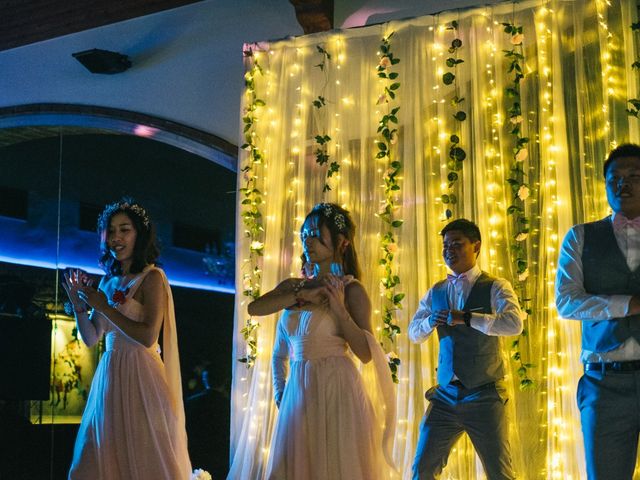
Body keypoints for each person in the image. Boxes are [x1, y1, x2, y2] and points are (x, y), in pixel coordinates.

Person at [246, 202, 396, 480]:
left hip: (336, 388)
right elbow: (255, 309)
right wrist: (282, 395)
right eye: (305, 235)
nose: (308, 241)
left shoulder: (352, 290)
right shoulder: (294, 285)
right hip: (297, 393)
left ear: (341, 242)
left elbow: (365, 353)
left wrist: (338, 308)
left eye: (315, 234)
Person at [63, 198, 192, 479]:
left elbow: (147, 337)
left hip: (142, 374)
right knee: (101, 451)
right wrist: (79, 306)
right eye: (111, 231)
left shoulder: (153, 277)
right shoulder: (107, 282)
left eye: (125, 230)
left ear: (139, 235)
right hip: (110, 375)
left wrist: (105, 307)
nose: (116, 238)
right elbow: (92, 337)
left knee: (145, 451)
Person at [408, 218, 523, 480]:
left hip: (484, 394)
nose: (450, 250)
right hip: (445, 396)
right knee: (422, 470)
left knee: (500, 473)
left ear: (476, 246)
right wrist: (429, 322)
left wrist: (469, 318)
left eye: (457, 244)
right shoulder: (436, 290)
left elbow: (514, 324)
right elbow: (413, 334)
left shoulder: (495, 286)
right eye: (446, 246)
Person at [555, 143, 640, 479]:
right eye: (614, 178)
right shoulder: (580, 236)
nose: (623, 184)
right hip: (604, 382)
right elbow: (567, 301)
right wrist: (629, 304)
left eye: (634, 176)